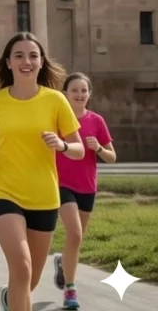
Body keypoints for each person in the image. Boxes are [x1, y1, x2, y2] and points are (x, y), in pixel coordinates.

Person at [0, 32, 85, 311]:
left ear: (41, 62)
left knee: (29, 279)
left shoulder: (56, 100)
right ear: (8, 62)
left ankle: (10, 299)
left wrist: (63, 145)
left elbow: (79, 149)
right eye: (19, 56)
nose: (26, 61)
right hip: (3, 192)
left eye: (33, 56)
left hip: (44, 196)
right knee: (21, 265)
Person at [52, 72, 117, 310]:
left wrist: (98, 148)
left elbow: (112, 157)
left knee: (75, 240)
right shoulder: (56, 120)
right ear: (65, 93)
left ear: (89, 94)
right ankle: (70, 290)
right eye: (74, 90)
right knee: (75, 234)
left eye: (83, 91)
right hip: (62, 185)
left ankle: (63, 263)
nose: (79, 95)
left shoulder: (96, 121)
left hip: (87, 186)